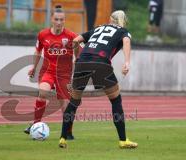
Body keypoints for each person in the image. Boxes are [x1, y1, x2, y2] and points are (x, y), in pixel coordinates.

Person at [59, 10, 138, 149]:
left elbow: (76, 40)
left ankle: (63, 138)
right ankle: (123, 140)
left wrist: (77, 57)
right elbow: (126, 41)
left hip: (82, 62)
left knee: (74, 101)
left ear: (110, 19)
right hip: (101, 62)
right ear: (123, 21)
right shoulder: (123, 31)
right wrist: (127, 62)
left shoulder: (98, 28)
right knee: (115, 100)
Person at [24, 5, 78, 140]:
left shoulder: (72, 36)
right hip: (47, 71)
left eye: (62, 20)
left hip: (64, 74)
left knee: (64, 103)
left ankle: (68, 132)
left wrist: (76, 60)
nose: (59, 22)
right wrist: (34, 67)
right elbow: (38, 51)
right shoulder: (43, 34)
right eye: (56, 19)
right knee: (42, 93)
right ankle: (35, 125)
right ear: (51, 19)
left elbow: (78, 52)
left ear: (64, 21)